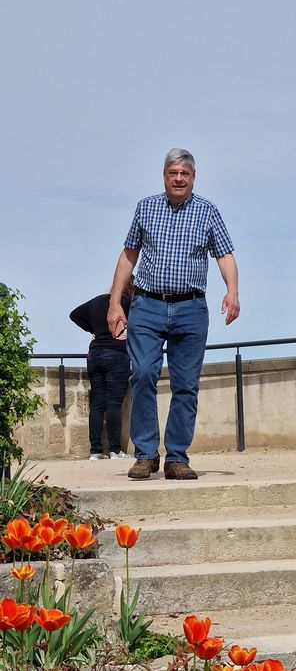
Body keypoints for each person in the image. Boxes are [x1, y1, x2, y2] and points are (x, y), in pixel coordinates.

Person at [107, 148, 240, 481]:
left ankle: (177, 457)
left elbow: (225, 255)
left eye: (185, 174)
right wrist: (114, 302)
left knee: (186, 384)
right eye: (173, 173)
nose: (179, 179)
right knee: (142, 375)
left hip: (191, 308)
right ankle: (146, 454)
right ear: (164, 175)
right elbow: (128, 255)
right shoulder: (146, 207)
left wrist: (232, 291)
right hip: (147, 305)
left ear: (194, 178)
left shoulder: (207, 211)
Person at [70, 278, 134, 460]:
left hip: (95, 354)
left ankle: (96, 451)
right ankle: (115, 450)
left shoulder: (98, 301)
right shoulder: (128, 303)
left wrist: (94, 330)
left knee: (97, 404)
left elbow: (75, 315)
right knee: (114, 403)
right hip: (116, 355)